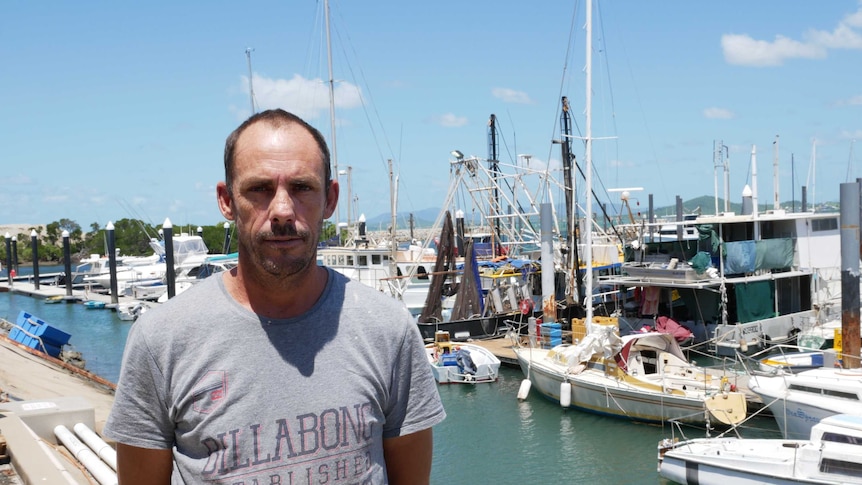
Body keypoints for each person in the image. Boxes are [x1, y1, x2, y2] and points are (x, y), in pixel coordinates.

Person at [104, 109, 446, 484]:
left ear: (330, 199)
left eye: (301, 188)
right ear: (227, 201)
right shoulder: (161, 339)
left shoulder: (389, 329)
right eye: (260, 189)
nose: (283, 211)